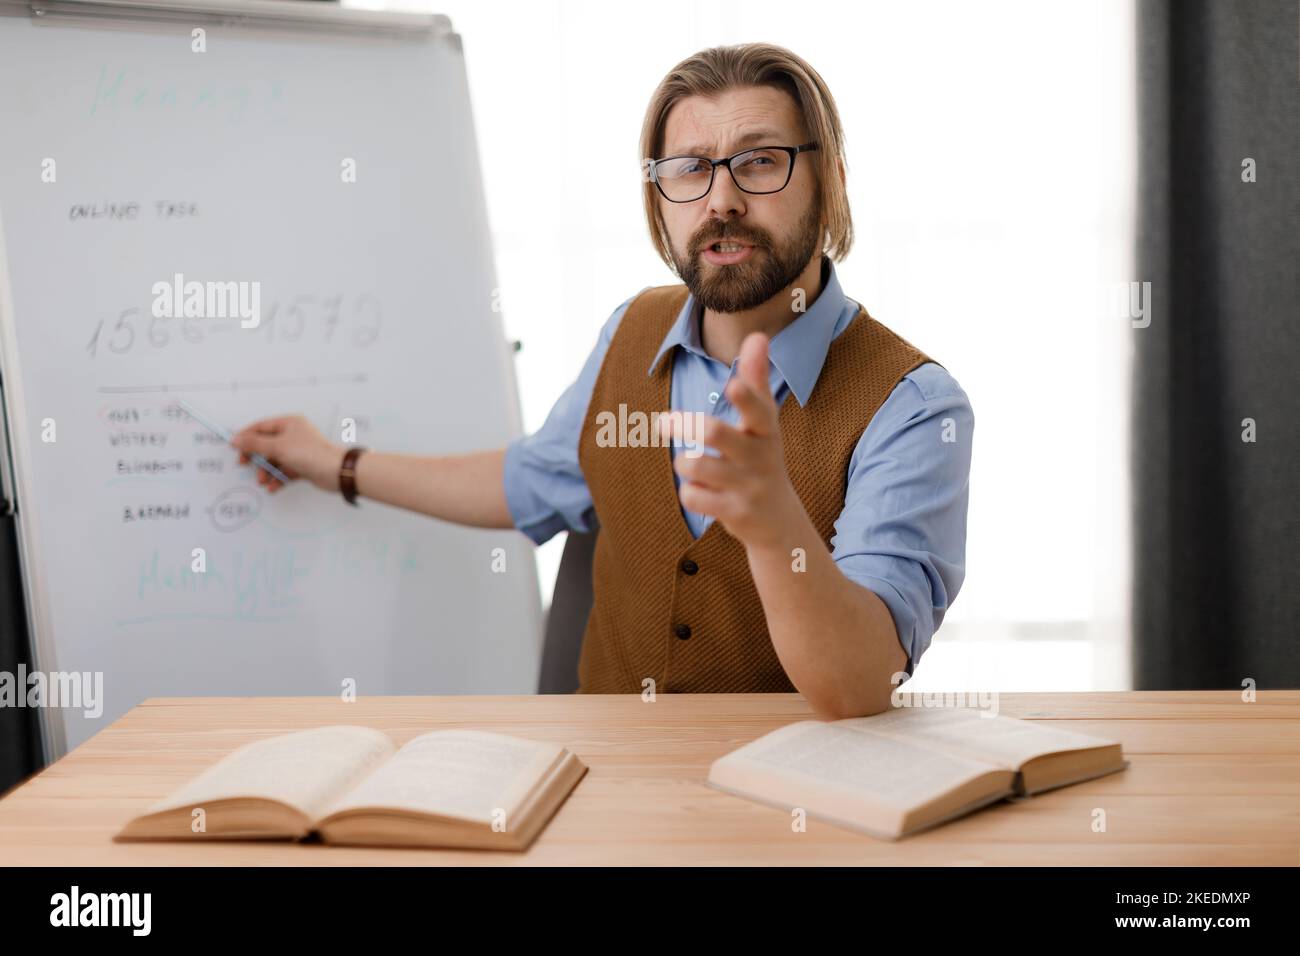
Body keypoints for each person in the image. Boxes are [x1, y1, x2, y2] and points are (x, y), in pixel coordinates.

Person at [232, 42, 973, 719]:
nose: (720, 201)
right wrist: (333, 463)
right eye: (688, 168)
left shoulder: (912, 407)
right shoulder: (631, 334)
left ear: (830, 179)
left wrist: (776, 523)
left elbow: (860, 683)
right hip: (602, 788)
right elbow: (529, 480)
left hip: (792, 813)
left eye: (759, 161)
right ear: (659, 196)